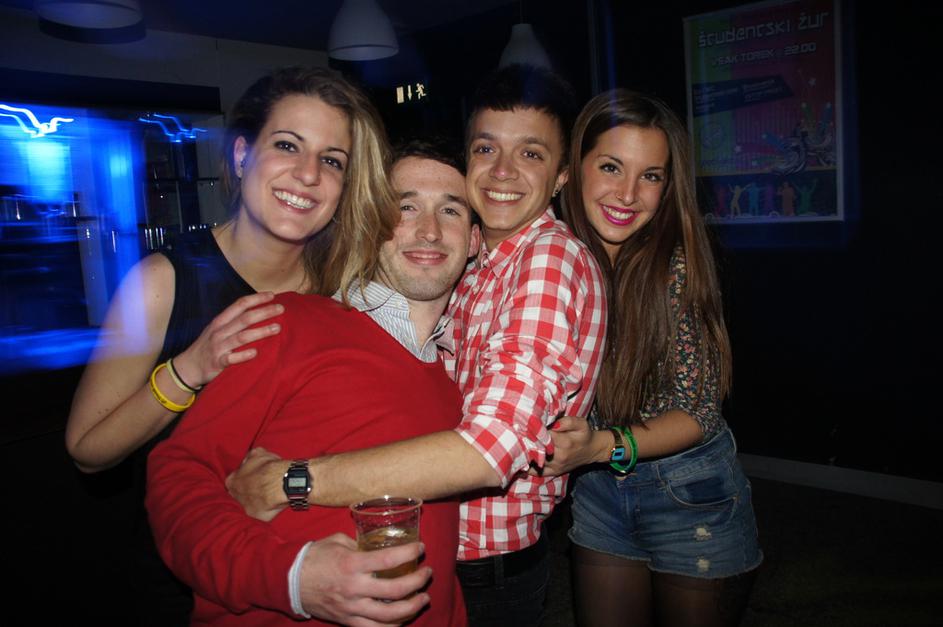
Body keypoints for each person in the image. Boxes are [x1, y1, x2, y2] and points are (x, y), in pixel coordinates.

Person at [225, 64, 607, 627]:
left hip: (486, 567)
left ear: (561, 177)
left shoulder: (547, 260)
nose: (503, 171)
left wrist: (294, 480)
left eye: (530, 153)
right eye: (486, 149)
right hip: (431, 554)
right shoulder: (479, 267)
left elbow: (493, 446)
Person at [64, 66, 397, 625]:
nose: (308, 174)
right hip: (183, 577)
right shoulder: (162, 282)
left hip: (306, 568)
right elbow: (87, 451)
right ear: (242, 156)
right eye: (287, 145)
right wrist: (189, 369)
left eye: (332, 161)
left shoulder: (344, 293)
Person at [146, 139, 480, 626]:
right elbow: (177, 477)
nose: (429, 230)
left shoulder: (459, 385)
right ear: (370, 223)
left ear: (474, 241)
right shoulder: (287, 323)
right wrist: (293, 578)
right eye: (405, 207)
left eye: (450, 211)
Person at [546, 89, 763, 627]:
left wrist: (600, 446)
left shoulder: (675, 268)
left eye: (650, 176)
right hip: (597, 490)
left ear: (668, 187)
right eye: (611, 167)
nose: (628, 194)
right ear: (573, 169)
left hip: (690, 490)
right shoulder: (552, 259)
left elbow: (699, 412)